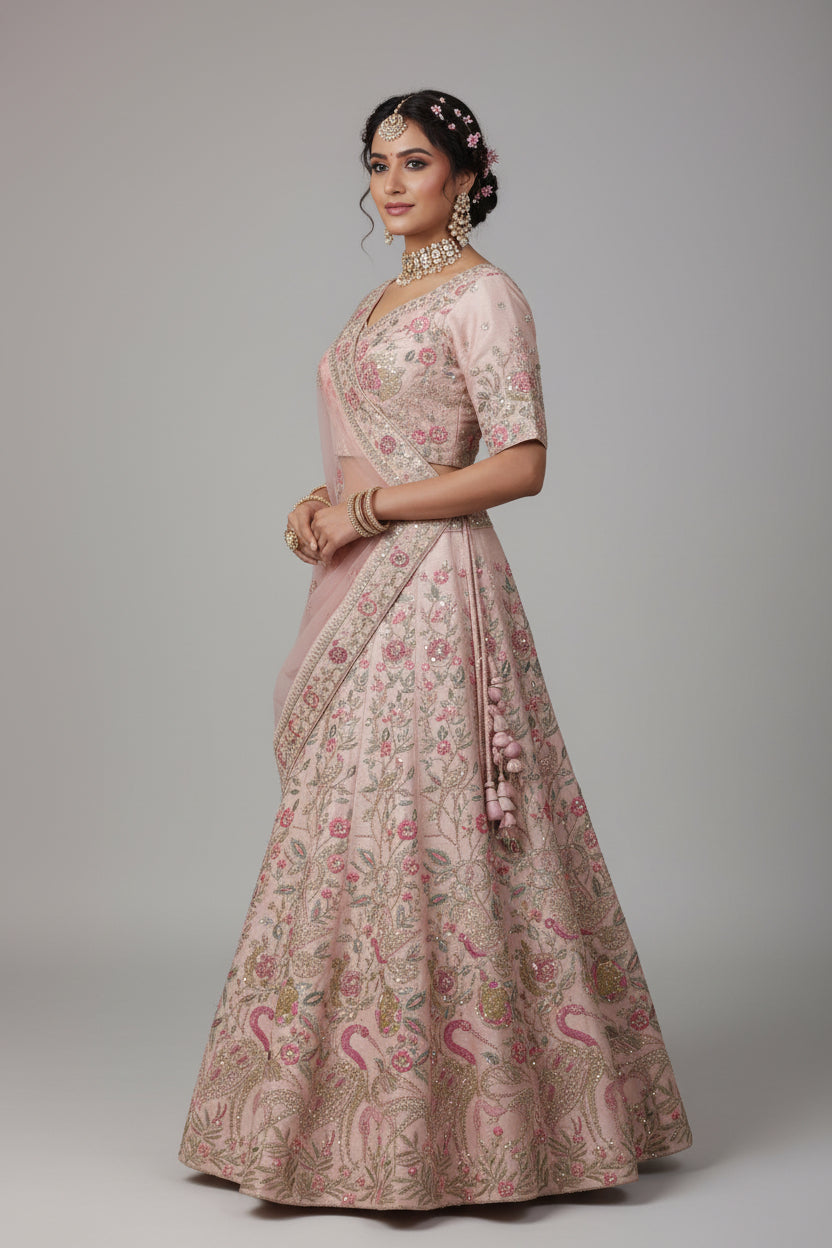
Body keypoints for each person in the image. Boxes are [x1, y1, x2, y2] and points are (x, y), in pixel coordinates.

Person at [178, 89, 692, 1211]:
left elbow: (521, 462)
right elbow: (371, 456)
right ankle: (317, 1120)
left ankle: (482, 1130)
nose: (392, 183)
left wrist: (368, 511)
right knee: (348, 828)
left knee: (438, 827)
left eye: (415, 162)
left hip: (435, 590)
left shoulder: (486, 295)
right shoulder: (377, 301)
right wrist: (320, 505)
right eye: (377, 164)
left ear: (465, 174)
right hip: (362, 579)